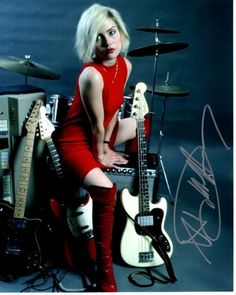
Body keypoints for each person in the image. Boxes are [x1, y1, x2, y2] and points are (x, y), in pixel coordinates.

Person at [56, 3, 137, 292]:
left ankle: (138, 199)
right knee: (105, 191)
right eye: (99, 37)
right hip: (75, 140)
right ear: (91, 43)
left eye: (112, 33)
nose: (108, 42)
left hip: (102, 132)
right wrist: (102, 152)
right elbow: (95, 125)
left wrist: (108, 143)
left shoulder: (126, 65)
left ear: (121, 32)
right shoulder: (90, 74)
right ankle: (105, 273)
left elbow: (113, 111)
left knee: (141, 123)